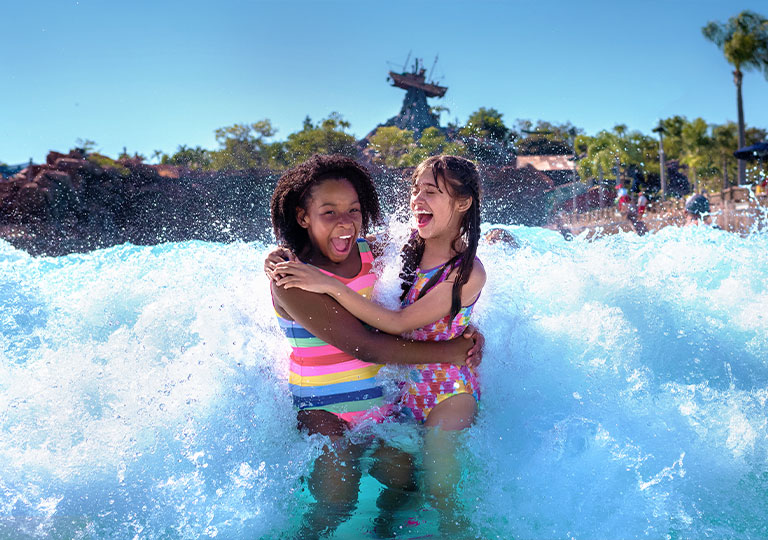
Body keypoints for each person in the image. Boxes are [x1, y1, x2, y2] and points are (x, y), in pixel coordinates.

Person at [267, 154, 482, 539]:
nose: (344, 222)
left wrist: (464, 321)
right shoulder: (291, 278)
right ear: (303, 217)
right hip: (324, 410)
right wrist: (449, 352)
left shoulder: (369, 252)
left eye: (353, 210)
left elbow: (428, 279)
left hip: (381, 411)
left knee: (406, 485)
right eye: (328, 212)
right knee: (338, 501)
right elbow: (365, 346)